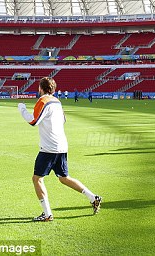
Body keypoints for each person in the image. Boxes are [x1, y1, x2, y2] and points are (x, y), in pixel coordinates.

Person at [17, 77, 102, 221]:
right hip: (61, 145)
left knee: (37, 179)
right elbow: (63, 120)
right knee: (64, 178)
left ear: (41, 88)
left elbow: (33, 121)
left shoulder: (43, 101)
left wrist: (22, 109)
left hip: (49, 147)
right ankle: (93, 197)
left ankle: (47, 213)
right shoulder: (57, 101)